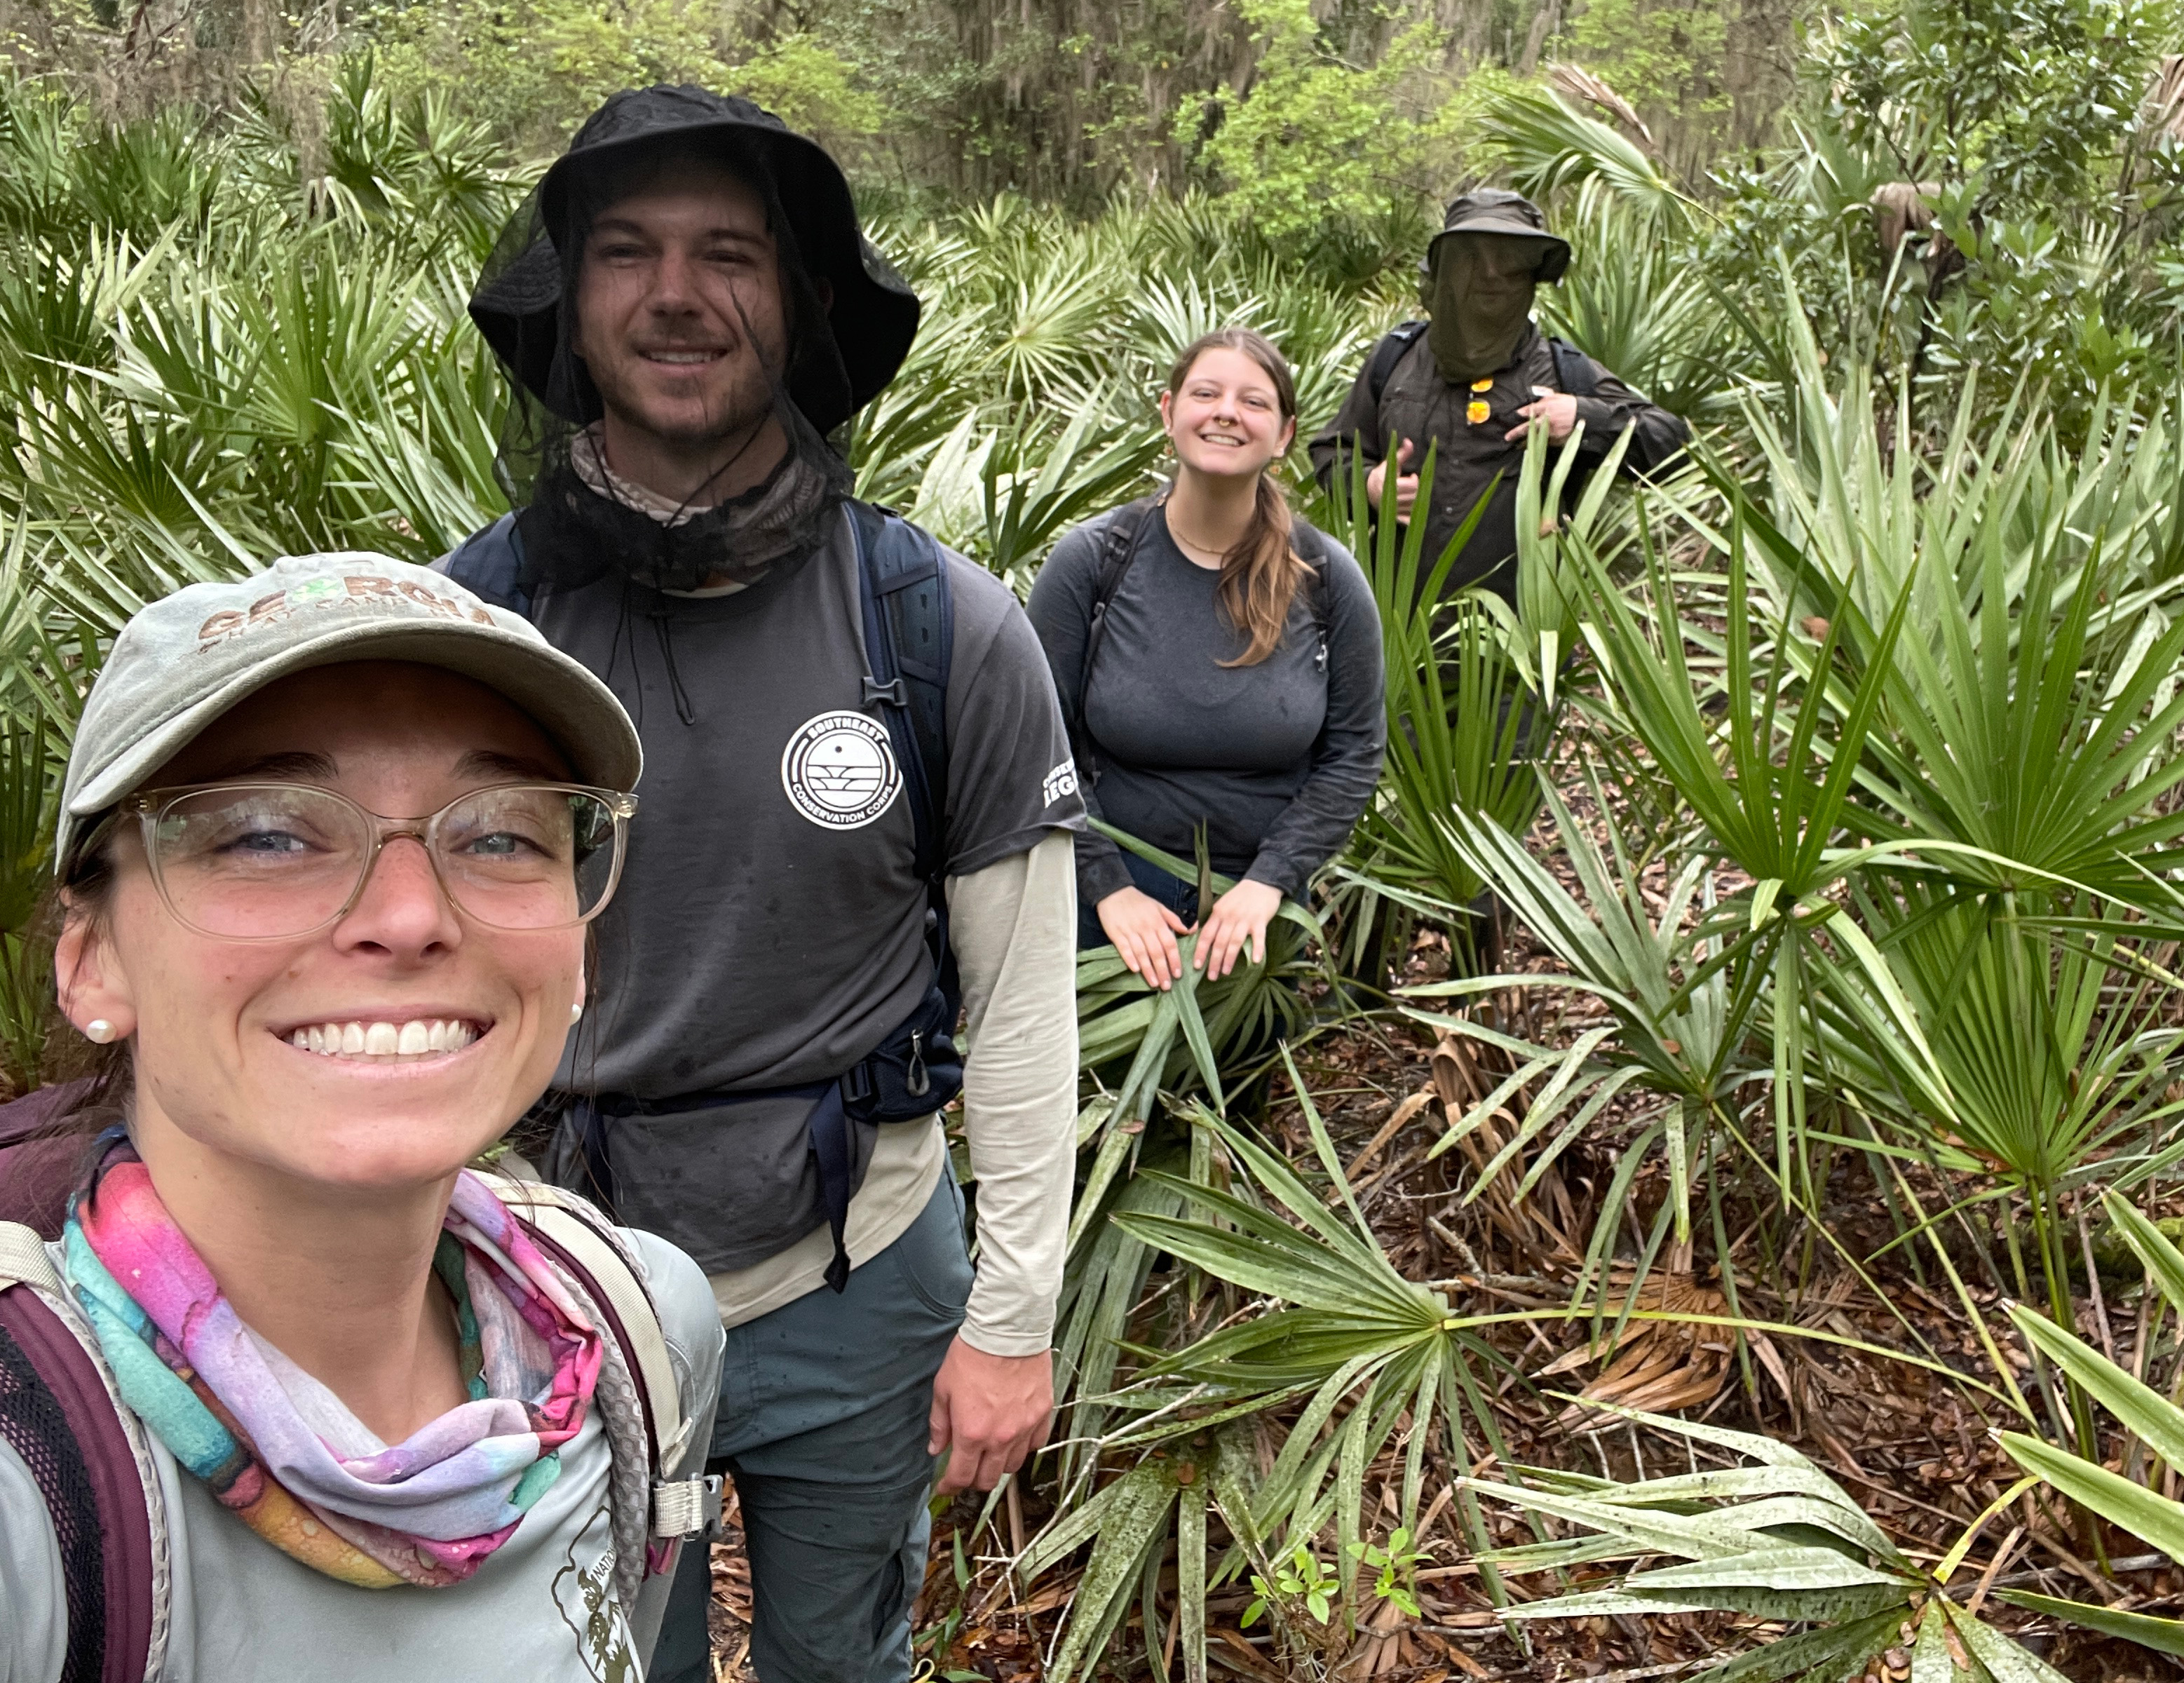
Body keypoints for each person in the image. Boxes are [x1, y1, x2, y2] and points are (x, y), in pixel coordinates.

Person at [439, 86, 1083, 1683]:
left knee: (842, 1656)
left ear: (796, 309)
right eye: (628, 251)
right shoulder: (467, 631)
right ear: (570, 302)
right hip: (554, 1282)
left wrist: (1012, 1317)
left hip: (858, 1274)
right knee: (598, 1663)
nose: (677, 292)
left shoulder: (939, 625)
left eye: (730, 252)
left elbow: (1021, 1002)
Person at [0, 551, 724, 1681]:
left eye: (500, 834)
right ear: (91, 964)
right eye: (265, 834)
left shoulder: (636, 1333)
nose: (409, 914)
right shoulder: (30, 1472)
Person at [1029, 330, 1385, 989]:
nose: (1226, 411)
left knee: (1244, 1091)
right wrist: (1108, 888)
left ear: (1284, 435)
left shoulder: (1327, 577)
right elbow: (1036, 746)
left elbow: (1355, 752)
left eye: (1253, 401)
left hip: (1261, 912)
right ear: (1169, 413)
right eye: (1206, 393)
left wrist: (1270, 880)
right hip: (1106, 909)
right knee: (1107, 1094)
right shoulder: (1091, 562)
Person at [1310, 189, 1692, 600]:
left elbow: (1673, 446)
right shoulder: (1395, 359)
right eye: (1473, 257)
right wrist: (1369, 486)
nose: (1491, 275)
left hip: (1520, 636)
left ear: (1531, 277)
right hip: (1397, 630)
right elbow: (1332, 454)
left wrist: (1584, 418)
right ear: (1443, 271)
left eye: (1509, 261)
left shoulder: (1565, 371)